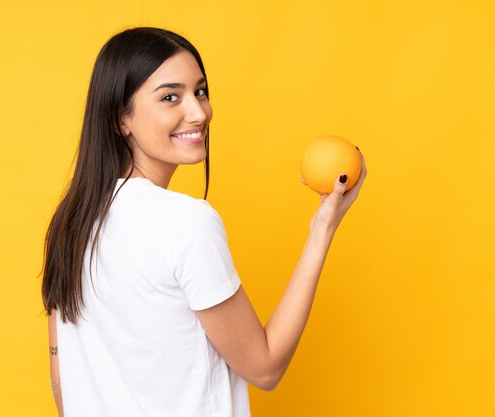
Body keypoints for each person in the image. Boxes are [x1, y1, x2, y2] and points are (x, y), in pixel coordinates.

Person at [41, 26, 367, 417]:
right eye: (169, 97)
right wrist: (323, 228)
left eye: (200, 91)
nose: (198, 112)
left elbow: (62, 386)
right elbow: (265, 368)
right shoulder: (185, 222)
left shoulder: (72, 223)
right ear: (120, 118)